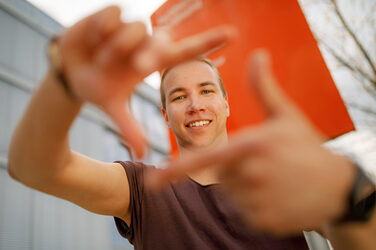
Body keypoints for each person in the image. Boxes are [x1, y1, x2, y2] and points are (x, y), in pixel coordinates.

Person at [7, 5, 375, 250]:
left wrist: (349, 191)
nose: (196, 104)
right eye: (179, 96)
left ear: (227, 104)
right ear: (165, 115)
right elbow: (35, 168)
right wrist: (64, 84)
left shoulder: (280, 180)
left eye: (207, 90)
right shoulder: (144, 190)